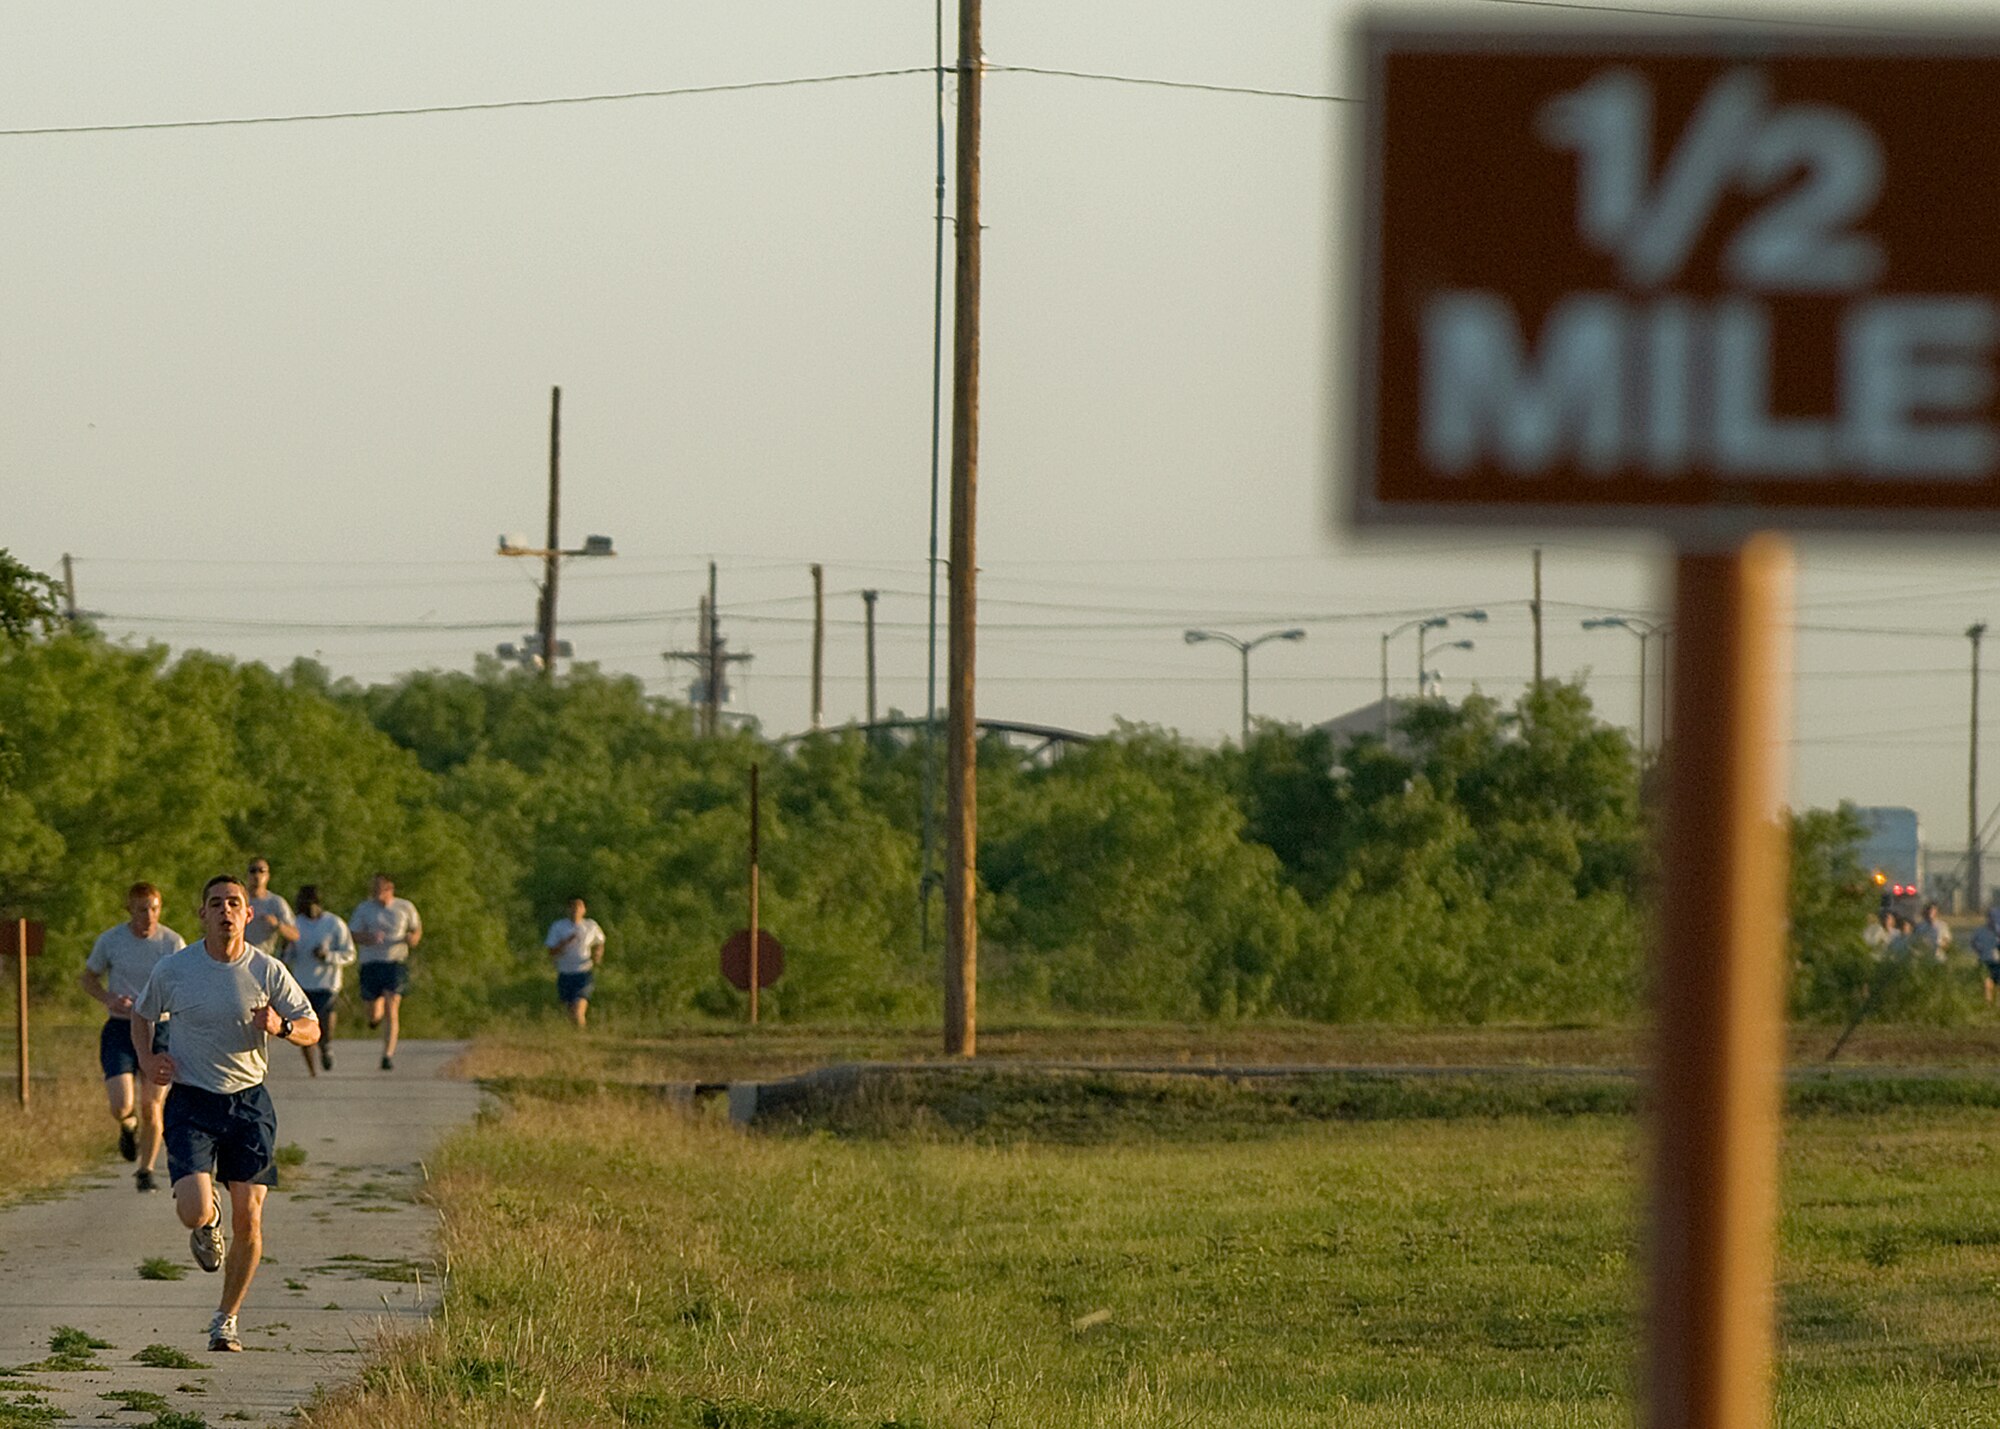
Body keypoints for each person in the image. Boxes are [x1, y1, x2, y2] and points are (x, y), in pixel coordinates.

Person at [131, 873, 318, 1354]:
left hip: (250, 1104)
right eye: (215, 903)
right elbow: (141, 1014)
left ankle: (226, 1320)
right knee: (193, 1210)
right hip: (193, 1100)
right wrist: (150, 1060)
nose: (226, 911)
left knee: (250, 1220)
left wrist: (281, 1026)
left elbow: (311, 1028)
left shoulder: (267, 969)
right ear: (203, 914)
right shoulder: (176, 969)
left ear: (248, 914)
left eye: (234, 903)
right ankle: (205, 1223)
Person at [79, 882, 186, 1192]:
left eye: (154, 909)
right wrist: (108, 997)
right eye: (142, 910)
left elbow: (184, 983)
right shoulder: (111, 940)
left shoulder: (172, 942)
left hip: (160, 1029)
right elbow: (88, 978)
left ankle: (146, 1170)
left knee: (153, 1105)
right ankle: (127, 1126)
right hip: (121, 1027)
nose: (148, 916)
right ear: (130, 910)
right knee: (121, 1103)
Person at [351, 873, 421, 1071]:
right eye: (373, 889)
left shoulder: (404, 907)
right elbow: (353, 934)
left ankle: (387, 1054)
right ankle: (374, 1018)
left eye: (379, 889)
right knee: (373, 1011)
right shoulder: (364, 909)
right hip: (371, 962)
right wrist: (368, 937)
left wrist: (411, 938)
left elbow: (416, 930)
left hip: (395, 962)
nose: (374, 893)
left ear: (390, 889)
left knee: (392, 1005)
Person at [286, 885, 354, 1075]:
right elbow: (286, 957)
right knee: (304, 1026)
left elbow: (349, 954)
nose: (306, 908)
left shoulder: (334, 924)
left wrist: (328, 956)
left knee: (324, 1022)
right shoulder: (295, 924)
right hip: (302, 983)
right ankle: (312, 1070)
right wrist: (286, 948)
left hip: (327, 983)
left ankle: (326, 1047)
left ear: (317, 904)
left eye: (309, 904)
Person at [544, 896, 605, 1029]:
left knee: (578, 1011)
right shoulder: (559, 927)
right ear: (568, 909)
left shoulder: (590, 926)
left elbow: (600, 942)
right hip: (565, 973)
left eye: (579, 907)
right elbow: (551, 951)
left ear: (584, 910)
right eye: (573, 907)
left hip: (583, 973)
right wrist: (565, 942)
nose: (576, 910)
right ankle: (577, 1039)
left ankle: (583, 1038)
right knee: (570, 1013)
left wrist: (597, 954)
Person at [243, 857, 298, 959]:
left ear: (267, 876)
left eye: (261, 871)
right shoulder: (240, 901)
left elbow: (295, 934)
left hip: (265, 958)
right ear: (247, 875)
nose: (257, 875)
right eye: (253, 871)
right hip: (240, 957)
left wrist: (277, 925)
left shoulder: (275, 902)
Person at [1973, 908, 2000, 1006]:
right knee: (1986, 984)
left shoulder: (1998, 931)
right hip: (1984, 961)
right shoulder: (1980, 930)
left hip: (1997, 961)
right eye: (1990, 917)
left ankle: (1996, 1006)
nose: (1992, 919)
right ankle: (1987, 1005)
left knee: (1997, 986)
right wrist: (1977, 949)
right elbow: (1974, 942)